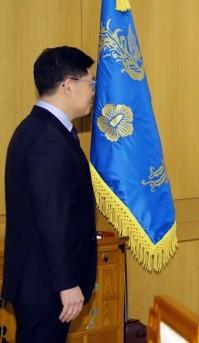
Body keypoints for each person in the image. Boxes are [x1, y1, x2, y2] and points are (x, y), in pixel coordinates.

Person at [2, 46, 98, 343]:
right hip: (45, 287)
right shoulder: (47, 140)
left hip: (41, 283)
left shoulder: (41, 129)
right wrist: (66, 283)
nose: (94, 90)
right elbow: (51, 219)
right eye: (90, 82)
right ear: (68, 86)